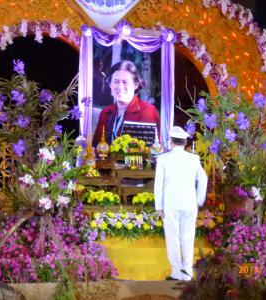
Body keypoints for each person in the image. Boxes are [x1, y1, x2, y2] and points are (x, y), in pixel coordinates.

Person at [154, 126, 208, 281]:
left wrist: (159, 207)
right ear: (185, 142)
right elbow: (203, 179)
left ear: (171, 142)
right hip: (190, 204)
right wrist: (198, 200)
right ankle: (187, 273)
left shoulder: (163, 158)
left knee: (173, 238)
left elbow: (158, 184)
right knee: (187, 238)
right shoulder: (193, 158)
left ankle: (177, 273)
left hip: (170, 205)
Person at [92, 60, 160, 146]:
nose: (120, 87)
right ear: (110, 84)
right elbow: (95, 147)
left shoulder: (148, 112)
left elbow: (154, 151)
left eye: (125, 82)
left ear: (136, 84)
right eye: (116, 82)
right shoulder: (105, 112)